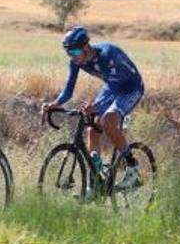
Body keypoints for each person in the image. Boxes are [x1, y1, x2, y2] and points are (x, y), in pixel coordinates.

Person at [42, 26, 144, 187]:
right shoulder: (76, 62)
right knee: (92, 129)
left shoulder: (107, 54)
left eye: (75, 53)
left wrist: (96, 105)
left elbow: (115, 88)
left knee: (108, 122)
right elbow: (68, 90)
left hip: (130, 88)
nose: (72, 57)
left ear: (86, 47)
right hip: (112, 87)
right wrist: (55, 104)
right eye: (68, 53)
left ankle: (132, 167)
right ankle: (95, 181)